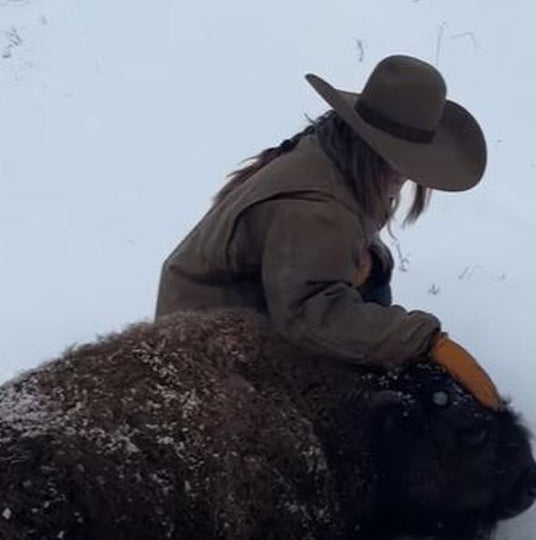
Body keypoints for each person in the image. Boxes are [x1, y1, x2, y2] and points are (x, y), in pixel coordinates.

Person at [155, 54, 501, 408]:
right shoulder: (317, 209)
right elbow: (308, 316)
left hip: (245, 311)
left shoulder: (335, 155)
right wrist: (423, 340)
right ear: (380, 153)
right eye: (405, 161)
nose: (408, 175)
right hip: (204, 345)